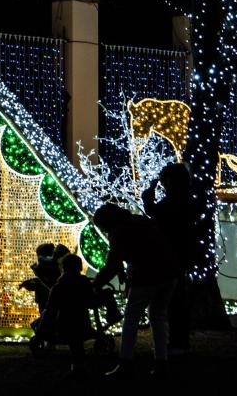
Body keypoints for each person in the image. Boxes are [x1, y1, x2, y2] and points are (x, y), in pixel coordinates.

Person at [92, 203, 177, 380]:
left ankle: (126, 363)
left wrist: (96, 284)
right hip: (169, 273)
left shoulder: (119, 232)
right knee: (158, 318)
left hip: (146, 276)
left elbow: (113, 264)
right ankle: (161, 362)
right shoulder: (140, 221)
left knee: (131, 319)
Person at [143, 163, 200, 351]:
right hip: (183, 254)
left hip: (171, 255)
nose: (163, 183)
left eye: (165, 180)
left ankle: (177, 341)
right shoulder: (188, 200)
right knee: (178, 299)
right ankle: (181, 339)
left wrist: (148, 197)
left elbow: (155, 214)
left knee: (173, 301)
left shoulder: (173, 202)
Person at [37, 254, 95, 379]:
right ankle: (79, 368)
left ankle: (77, 369)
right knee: (77, 345)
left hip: (66, 321)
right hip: (81, 319)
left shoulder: (59, 286)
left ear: (63, 268)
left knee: (75, 345)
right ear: (79, 267)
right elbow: (91, 301)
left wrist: (41, 328)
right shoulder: (84, 282)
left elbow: (51, 308)